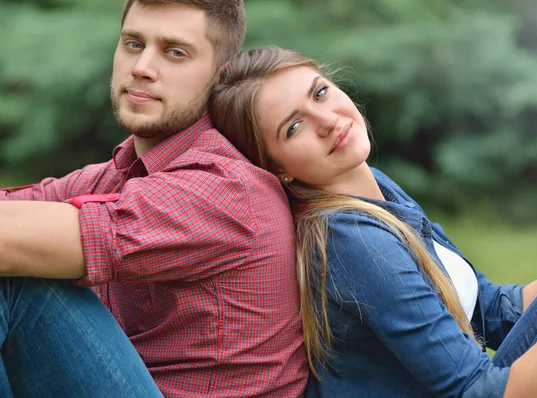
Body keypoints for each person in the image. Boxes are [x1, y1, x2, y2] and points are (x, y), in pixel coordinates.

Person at [209, 45, 537, 397]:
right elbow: (481, 392)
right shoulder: (351, 240)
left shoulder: (376, 189)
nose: (325, 119)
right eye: (293, 127)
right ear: (278, 169)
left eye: (320, 93)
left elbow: (490, 310)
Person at [0, 3, 307, 397]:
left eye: (175, 52)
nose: (142, 67)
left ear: (220, 75)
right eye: (133, 43)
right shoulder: (122, 173)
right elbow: (18, 203)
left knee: (19, 276)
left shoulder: (226, 188)